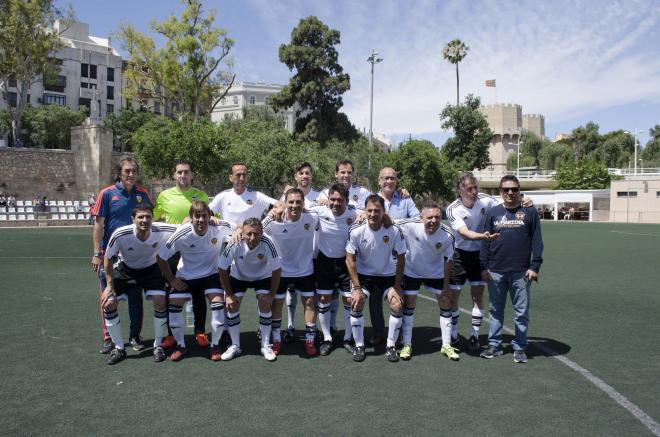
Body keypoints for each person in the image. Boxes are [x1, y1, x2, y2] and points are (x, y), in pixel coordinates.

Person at [156, 200, 235, 361]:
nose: (201, 220)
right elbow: (161, 257)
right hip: (186, 275)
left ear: (209, 216)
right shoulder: (182, 233)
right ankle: (181, 346)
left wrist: (238, 232)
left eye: (204, 216)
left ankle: (214, 345)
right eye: (197, 216)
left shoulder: (218, 227)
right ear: (191, 218)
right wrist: (172, 280)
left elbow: (240, 226)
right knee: (174, 305)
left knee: (218, 305)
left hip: (210, 275)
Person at [91, 156, 153, 354]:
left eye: (134, 171)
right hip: (111, 257)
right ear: (119, 173)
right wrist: (96, 253)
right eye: (127, 171)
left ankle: (135, 335)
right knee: (108, 296)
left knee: (136, 297)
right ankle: (109, 337)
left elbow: (151, 222)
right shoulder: (107, 194)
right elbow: (99, 225)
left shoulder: (143, 194)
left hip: (135, 257)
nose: (131, 174)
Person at [100, 206, 177, 364]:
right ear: (133, 219)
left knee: (160, 301)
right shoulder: (121, 234)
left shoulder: (162, 229)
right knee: (109, 303)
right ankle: (119, 348)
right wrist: (109, 285)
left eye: (148, 217)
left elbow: (187, 226)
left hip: (152, 269)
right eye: (140, 217)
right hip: (126, 269)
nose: (144, 220)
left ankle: (158, 346)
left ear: (152, 219)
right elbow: (107, 258)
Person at [480, 175, 543, 363]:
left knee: (521, 312)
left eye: (514, 189)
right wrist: (484, 266)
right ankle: (494, 344)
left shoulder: (530, 212)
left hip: (521, 272)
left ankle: (520, 346)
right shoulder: (492, 212)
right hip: (495, 271)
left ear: (519, 191)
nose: (510, 193)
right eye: (506, 189)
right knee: (495, 311)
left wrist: (535, 266)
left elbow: (537, 241)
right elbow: (485, 241)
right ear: (500, 192)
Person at [154, 160, 210, 349]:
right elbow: (154, 219)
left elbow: (211, 217)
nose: (183, 175)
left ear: (192, 175)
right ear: (174, 175)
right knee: (172, 290)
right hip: (172, 250)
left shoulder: (201, 195)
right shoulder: (164, 196)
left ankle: (199, 332)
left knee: (198, 292)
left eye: (186, 172)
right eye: (179, 172)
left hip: (194, 250)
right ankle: (171, 334)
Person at [345, 194, 407, 362]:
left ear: (384, 212)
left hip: (388, 277)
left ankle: (391, 346)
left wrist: (398, 285)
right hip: (365, 277)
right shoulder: (356, 230)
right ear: (364, 211)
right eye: (369, 211)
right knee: (356, 303)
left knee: (397, 304)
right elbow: (349, 259)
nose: (373, 214)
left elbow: (401, 257)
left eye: (377, 211)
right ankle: (359, 346)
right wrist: (356, 288)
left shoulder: (393, 230)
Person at [263, 188, 319, 356]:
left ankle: (310, 340)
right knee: (277, 304)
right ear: (285, 203)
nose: (295, 205)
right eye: (291, 202)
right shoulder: (273, 219)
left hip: (305, 270)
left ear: (304, 203)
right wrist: (271, 214)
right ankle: (277, 339)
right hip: (281, 271)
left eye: (298, 202)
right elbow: (257, 230)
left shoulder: (312, 217)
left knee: (309, 303)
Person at [397, 201, 456, 361]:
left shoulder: (447, 234)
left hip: (435, 273)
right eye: (429, 217)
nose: (433, 220)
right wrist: (362, 216)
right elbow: (387, 221)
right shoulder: (410, 225)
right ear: (421, 217)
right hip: (412, 271)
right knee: (409, 305)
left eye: (437, 217)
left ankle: (446, 345)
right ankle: (407, 344)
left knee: (445, 303)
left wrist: (446, 287)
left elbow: (448, 260)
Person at [369, 167, 420, 346]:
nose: (389, 182)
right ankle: (378, 332)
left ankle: (398, 333)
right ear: (379, 180)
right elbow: (364, 218)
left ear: (396, 180)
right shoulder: (372, 200)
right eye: (385, 178)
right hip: (377, 259)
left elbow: (417, 219)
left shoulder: (405, 199)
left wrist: (392, 222)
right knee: (375, 300)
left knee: (400, 297)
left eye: (392, 178)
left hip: (401, 258)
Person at [218, 218, 282, 361]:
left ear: (262, 233)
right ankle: (235, 345)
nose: (252, 238)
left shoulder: (267, 243)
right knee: (232, 306)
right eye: (249, 234)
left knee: (265, 305)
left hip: (262, 276)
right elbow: (222, 268)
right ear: (243, 233)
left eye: (256, 234)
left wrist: (271, 296)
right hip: (239, 276)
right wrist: (228, 295)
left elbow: (277, 270)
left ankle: (265, 345)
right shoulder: (235, 243)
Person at [308, 183, 358, 355]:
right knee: (323, 300)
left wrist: (365, 213)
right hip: (324, 262)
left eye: (340, 200)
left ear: (347, 201)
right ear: (328, 199)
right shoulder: (319, 211)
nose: (336, 203)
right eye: (333, 199)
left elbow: (371, 211)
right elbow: (301, 206)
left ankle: (347, 338)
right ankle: (327, 338)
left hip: (346, 263)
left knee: (349, 302)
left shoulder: (354, 213)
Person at [279, 162, 322, 342]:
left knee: (312, 298)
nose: (305, 176)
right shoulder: (286, 195)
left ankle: (316, 332)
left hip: (311, 255)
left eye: (308, 173)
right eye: (301, 173)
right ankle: (290, 326)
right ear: (296, 176)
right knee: (289, 293)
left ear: (312, 176)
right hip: (289, 256)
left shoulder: (320, 195)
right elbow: (279, 211)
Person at [209, 162, 280, 226]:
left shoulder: (257, 196)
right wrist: (211, 217)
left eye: (244, 175)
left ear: (247, 177)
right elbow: (206, 212)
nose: (242, 178)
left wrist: (274, 211)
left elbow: (280, 205)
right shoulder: (222, 197)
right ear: (231, 178)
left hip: (251, 239)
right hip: (227, 239)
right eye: (238, 175)